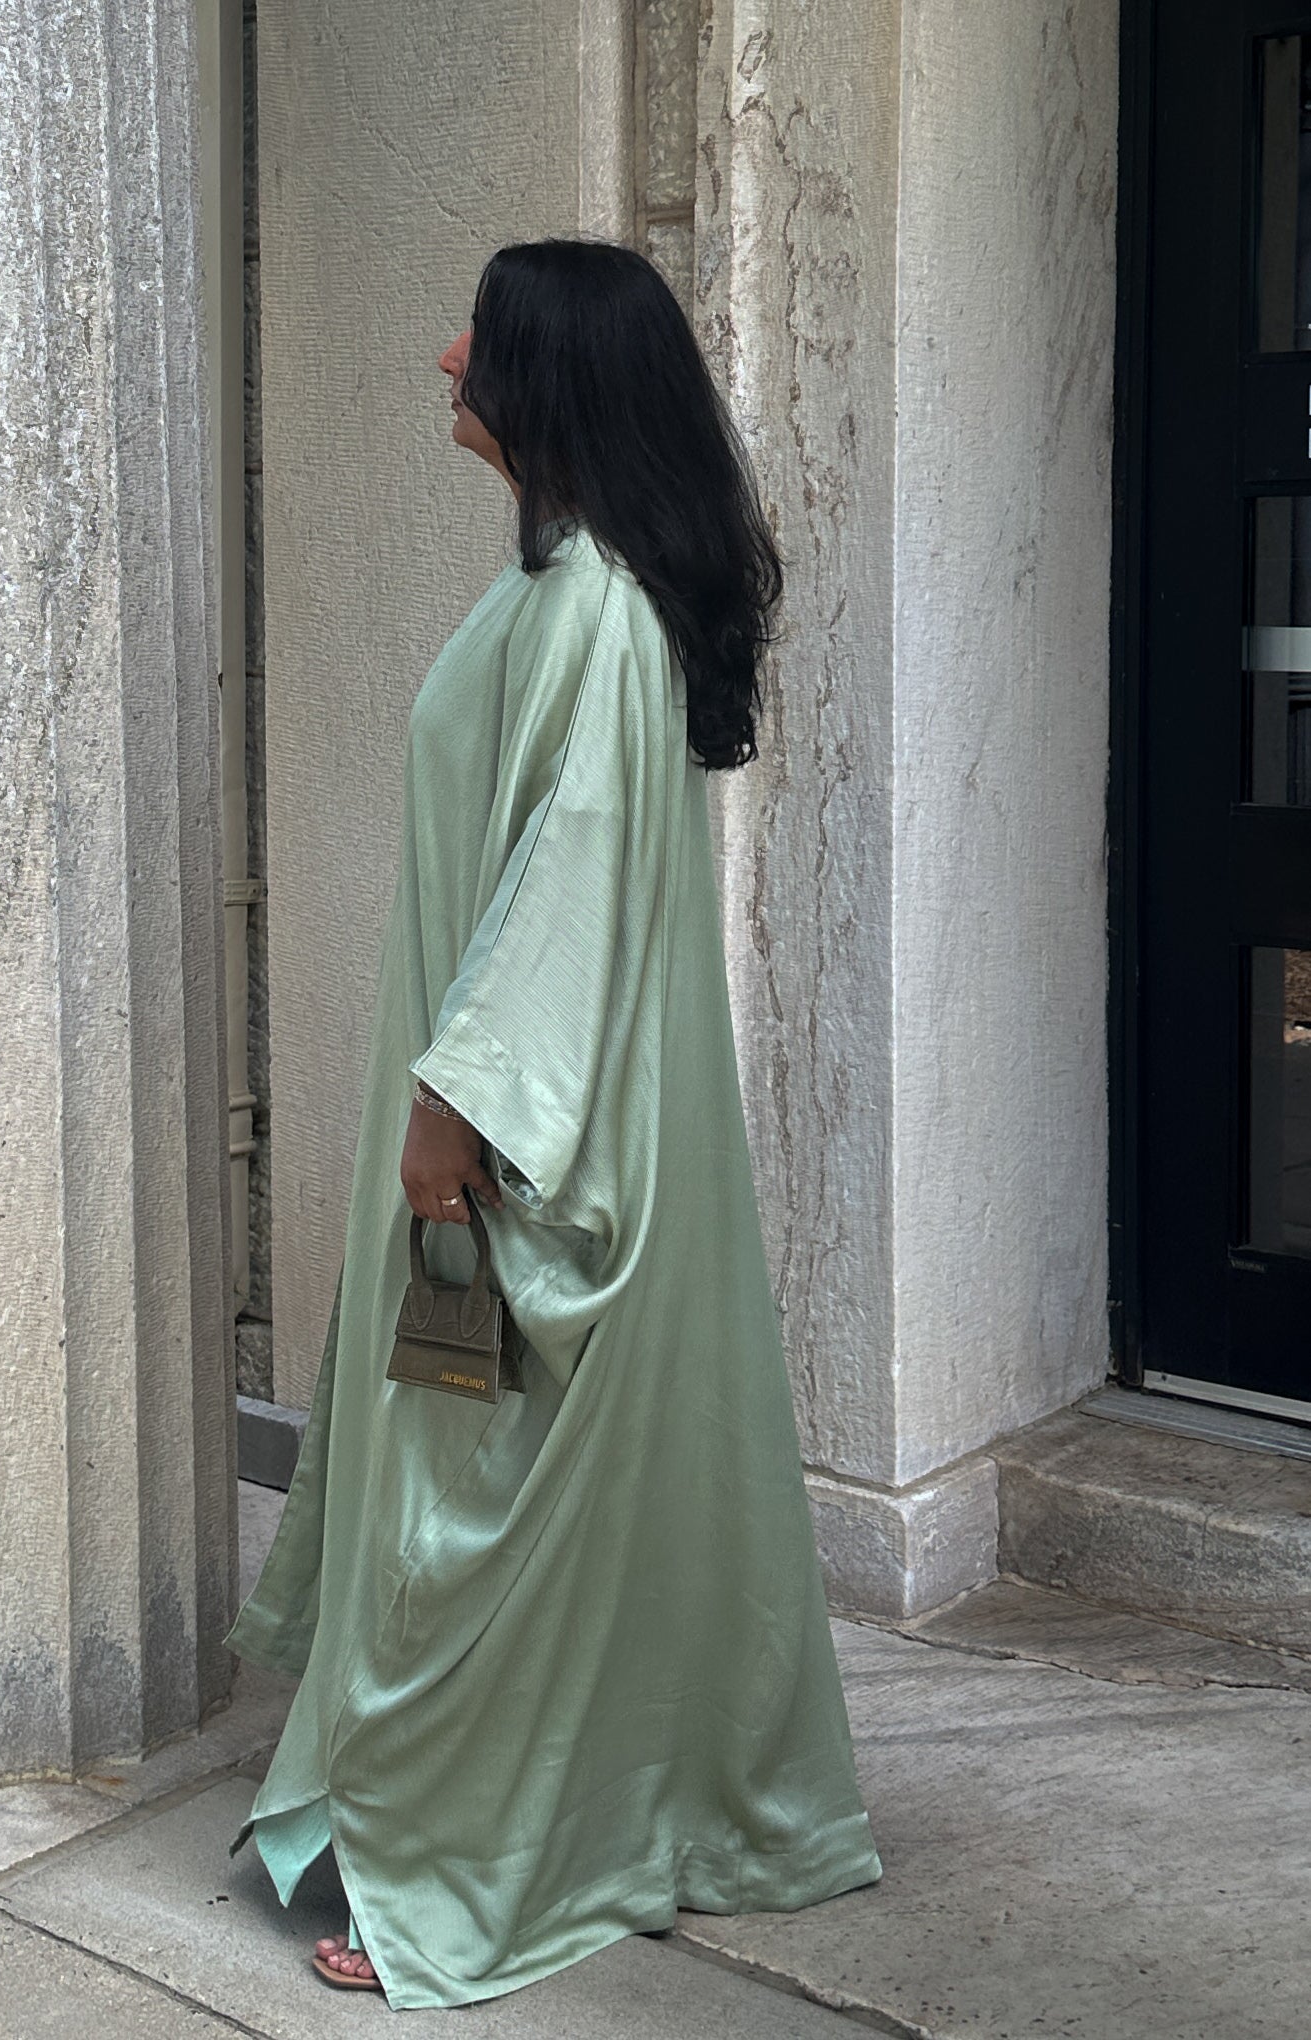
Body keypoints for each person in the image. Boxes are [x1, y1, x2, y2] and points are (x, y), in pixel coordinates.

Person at [225, 238, 882, 2009]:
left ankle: (470, 1877)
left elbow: (567, 881)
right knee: (530, 1501)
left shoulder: (591, 604)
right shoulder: (564, 592)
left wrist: (459, 1118)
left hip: (524, 1123)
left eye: (478, 334)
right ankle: (587, 1825)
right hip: (523, 1098)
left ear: (549, 382)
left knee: (480, 1506)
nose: (442, 351)